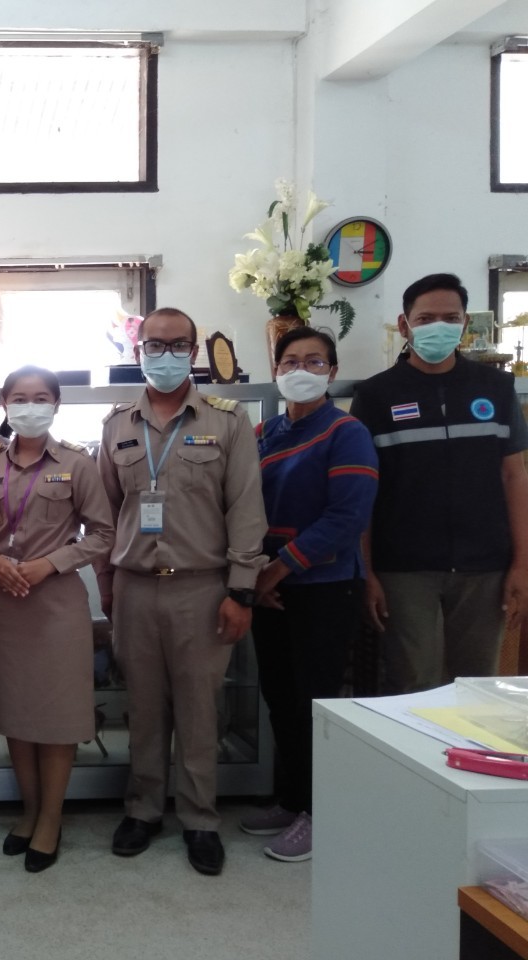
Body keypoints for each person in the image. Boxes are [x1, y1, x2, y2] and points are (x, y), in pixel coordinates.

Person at [97, 307, 267, 877]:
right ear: (138, 350)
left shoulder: (228, 420)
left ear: (193, 353)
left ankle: (199, 818)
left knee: (199, 709)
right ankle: (143, 809)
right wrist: (107, 584)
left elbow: (246, 509)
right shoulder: (116, 424)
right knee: (144, 707)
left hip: (203, 587)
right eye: (155, 344)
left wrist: (241, 591)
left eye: (177, 345)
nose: (164, 354)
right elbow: (106, 514)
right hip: (134, 587)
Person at [350, 273, 528, 693]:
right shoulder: (376, 395)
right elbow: (363, 492)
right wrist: (366, 570)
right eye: (426, 319)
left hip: (485, 566)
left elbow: (514, 475)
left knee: (478, 686)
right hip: (404, 570)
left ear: (465, 323)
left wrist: (522, 563)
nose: (439, 327)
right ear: (404, 324)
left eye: (450, 318)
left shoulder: (496, 388)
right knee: (413, 685)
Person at [0, 365, 114, 873]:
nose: (29, 406)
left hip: (54, 603)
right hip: (0, 601)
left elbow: (103, 533)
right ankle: (30, 812)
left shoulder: (77, 463)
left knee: (55, 716)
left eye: (40, 398)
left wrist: (49, 563)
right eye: (19, 398)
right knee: (16, 711)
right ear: (4, 405)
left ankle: (51, 818)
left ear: (55, 404)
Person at [243, 327, 378, 862]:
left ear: (332, 371)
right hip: (269, 588)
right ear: (275, 371)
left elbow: (347, 517)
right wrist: (257, 574)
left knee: (316, 702)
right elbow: (243, 510)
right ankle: (292, 799)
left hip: (324, 587)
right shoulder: (263, 433)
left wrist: (276, 571)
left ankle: (321, 814)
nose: (301, 370)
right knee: (280, 699)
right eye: (291, 361)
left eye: (315, 361)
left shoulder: (346, 432)